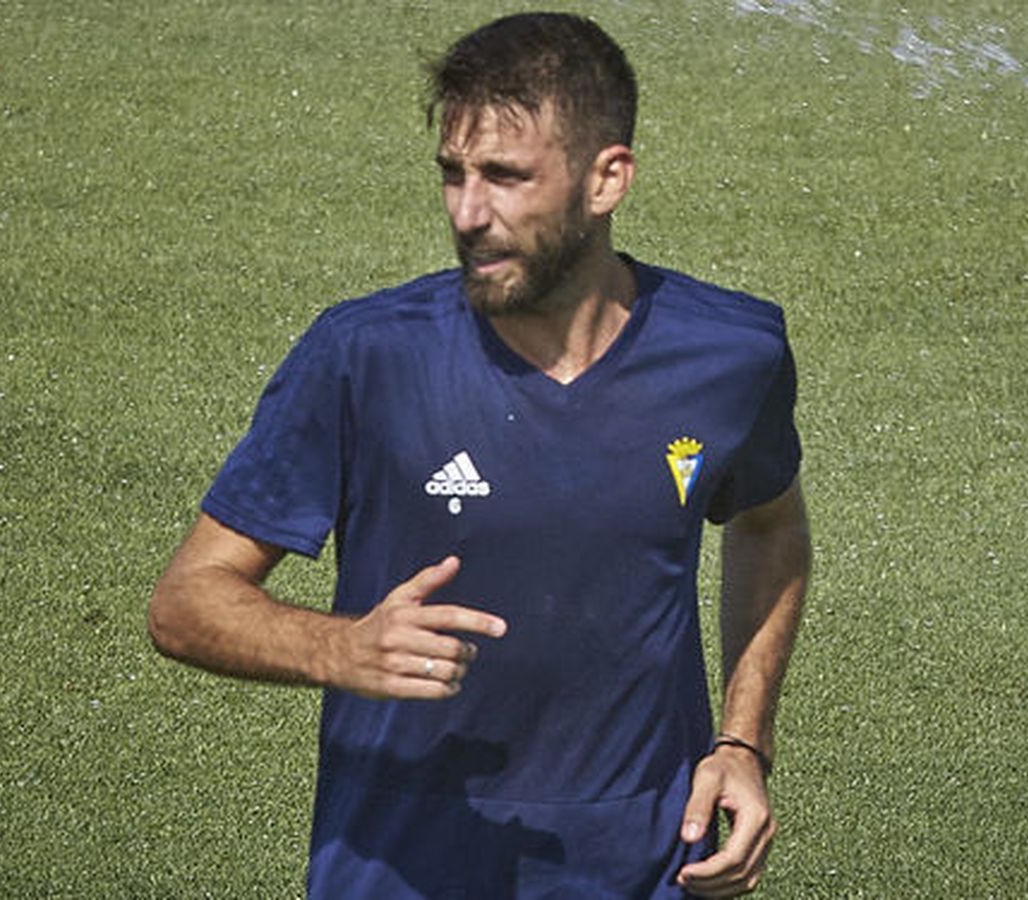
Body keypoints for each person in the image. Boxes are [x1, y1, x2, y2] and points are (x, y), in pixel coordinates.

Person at [148, 11, 812, 898]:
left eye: (505, 177)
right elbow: (186, 601)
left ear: (607, 178)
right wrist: (340, 649)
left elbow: (769, 526)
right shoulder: (366, 356)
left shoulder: (731, 355)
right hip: (403, 865)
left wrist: (742, 741)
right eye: (453, 175)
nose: (469, 212)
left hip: (647, 861)